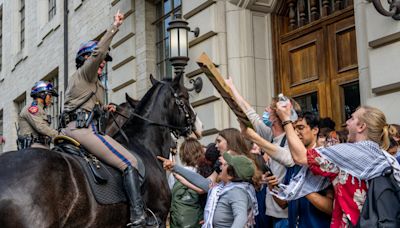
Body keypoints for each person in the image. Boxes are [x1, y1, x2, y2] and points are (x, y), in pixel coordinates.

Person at [61, 11, 145, 227]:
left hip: (78, 128)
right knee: (130, 162)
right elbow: (98, 53)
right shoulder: (84, 73)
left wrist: (104, 109)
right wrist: (114, 27)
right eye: (99, 61)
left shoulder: (94, 85)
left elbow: (86, 105)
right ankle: (138, 215)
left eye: (104, 62)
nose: (102, 64)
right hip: (82, 131)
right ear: (86, 60)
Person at [270, 105, 400, 227]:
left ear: (361, 126)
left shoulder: (350, 153)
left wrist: (286, 120)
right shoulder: (382, 156)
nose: (346, 123)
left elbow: (301, 157)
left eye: (352, 118)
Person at [158, 152, 259, 228]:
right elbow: (201, 182)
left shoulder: (237, 193)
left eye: (224, 165)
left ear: (230, 175)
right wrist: (174, 167)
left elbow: (241, 218)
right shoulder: (222, 188)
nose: (220, 166)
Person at [170, 138, 204, 228]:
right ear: (199, 153)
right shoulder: (202, 173)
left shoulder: (174, 174)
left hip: (177, 221)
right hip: (197, 221)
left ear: (182, 155)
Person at [17, 81, 59, 149]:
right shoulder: (33, 108)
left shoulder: (40, 109)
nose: (51, 99)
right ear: (42, 94)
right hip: (33, 147)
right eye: (50, 96)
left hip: (43, 145)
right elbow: (41, 127)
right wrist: (59, 136)